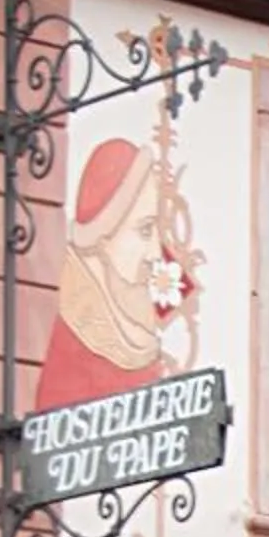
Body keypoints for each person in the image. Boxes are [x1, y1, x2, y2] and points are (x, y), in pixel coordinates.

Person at [31, 136, 164, 411]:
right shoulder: (77, 337)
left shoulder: (134, 321)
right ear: (102, 235)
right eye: (145, 230)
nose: (155, 254)